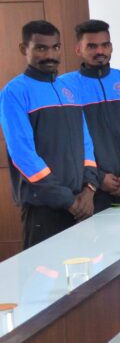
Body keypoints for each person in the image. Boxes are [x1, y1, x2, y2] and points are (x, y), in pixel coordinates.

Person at [0, 20, 98, 248]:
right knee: (45, 281)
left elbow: (86, 143)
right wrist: (66, 200)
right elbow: (23, 155)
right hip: (45, 210)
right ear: (24, 49)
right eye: (41, 48)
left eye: (55, 47)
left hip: (81, 205)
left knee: (83, 277)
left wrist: (89, 189)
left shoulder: (68, 89)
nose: (50, 55)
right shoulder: (14, 92)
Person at [58, 19, 120, 211]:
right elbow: (68, 143)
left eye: (105, 45)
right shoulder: (65, 87)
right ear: (78, 49)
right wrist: (98, 177)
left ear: (111, 47)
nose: (100, 51)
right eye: (91, 46)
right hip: (89, 190)